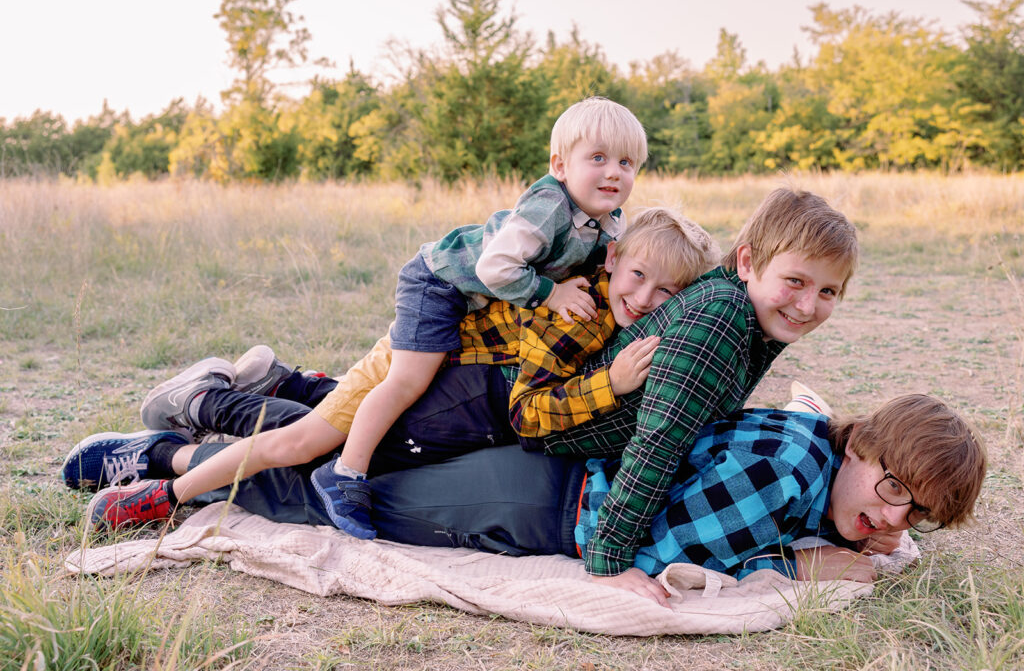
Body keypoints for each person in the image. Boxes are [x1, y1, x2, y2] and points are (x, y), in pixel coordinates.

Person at [67, 186, 858, 602]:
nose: (808, 305)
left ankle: (228, 396)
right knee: (328, 449)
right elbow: (628, 435)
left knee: (337, 423)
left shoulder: (719, 312)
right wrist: (612, 557)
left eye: (828, 294)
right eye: (797, 283)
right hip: (477, 394)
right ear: (750, 262)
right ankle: (173, 454)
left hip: (482, 396)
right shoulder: (703, 322)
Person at [65, 206, 719, 517]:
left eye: (667, 293)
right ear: (613, 262)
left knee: (338, 423)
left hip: (446, 372)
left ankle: (250, 389)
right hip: (425, 361)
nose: (647, 298)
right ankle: (172, 461)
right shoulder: (574, 304)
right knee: (308, 446)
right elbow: (533, 405)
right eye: (638, 278)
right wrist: (611, 384)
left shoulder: (615, 292)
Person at [80, 389, 988, 606]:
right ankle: (163, 458)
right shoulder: (788, 473)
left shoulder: (809, 456)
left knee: (381, 451)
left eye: (916, 516)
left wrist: (852, 536)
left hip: (548, 473)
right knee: (343, 499)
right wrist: (800, 561)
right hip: (543, 502)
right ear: (861, 444)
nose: (892, 520)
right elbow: (672, 545)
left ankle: (215, 404)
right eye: (892, 487)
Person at [297, 96, 647, 536]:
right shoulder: (548, 207)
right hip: (441, 281)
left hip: (478, 303)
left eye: (627, 162)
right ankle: (345, 473)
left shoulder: (610, 219)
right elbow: (493, 268)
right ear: (560, 165)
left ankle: (300, 387)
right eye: (598, 157)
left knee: (423, 380)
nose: (614, 171)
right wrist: (552, 293)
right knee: (406, 381)